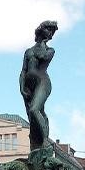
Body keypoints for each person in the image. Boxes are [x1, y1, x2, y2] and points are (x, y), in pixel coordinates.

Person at [20, 20, 58, 150]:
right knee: (35, 115)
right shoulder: (28, 51)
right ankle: (36, 143)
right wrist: (22, 87)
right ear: (42, 29)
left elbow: (42, 56)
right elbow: (23, 71)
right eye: (48, 29)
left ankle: (45, 141)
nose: (50, 33)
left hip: (43, 82)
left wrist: (42, 42)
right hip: (29, 86)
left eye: (52, 31)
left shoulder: (50, 50)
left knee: (34, 109)